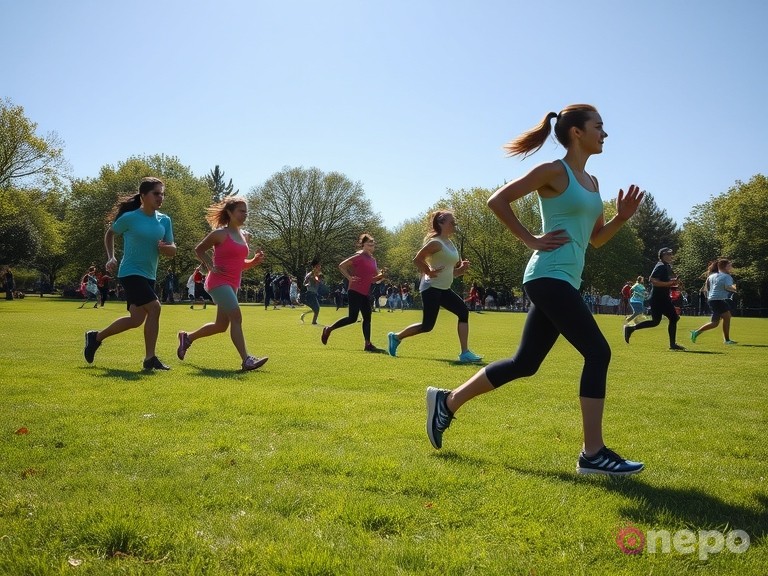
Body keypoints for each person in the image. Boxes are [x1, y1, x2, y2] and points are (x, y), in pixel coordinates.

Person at [426, 105, 645, 476]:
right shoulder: (553, 172)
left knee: (525, 364)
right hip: (548, 275)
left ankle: (447, 402)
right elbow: (498, 200)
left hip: (565, 279)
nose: (605, 134)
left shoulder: (592, 183)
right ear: (576, 132)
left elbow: (595, 240)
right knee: (598, 352)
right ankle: (593, 454)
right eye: (599, 126)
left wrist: (622, 218)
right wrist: (531, 238)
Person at [83, 177, 176, 370]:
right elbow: (110, 233)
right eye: (156, 193)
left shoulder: (164, 220)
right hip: (130, 272)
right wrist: (111, 257)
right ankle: (150, 359)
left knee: (136, 320)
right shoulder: (130, 218)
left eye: (162, 193)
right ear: (143, 196)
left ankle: (95, 337)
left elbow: (172, 249)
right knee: (156, 308)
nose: (161, 197)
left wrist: (166, 248)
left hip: (150, 274)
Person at [177, 197, 268, 371]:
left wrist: (254, 261)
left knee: (221, 326)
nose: (244, 215)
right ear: (229, 213)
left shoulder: (244, 236)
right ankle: (246, 360)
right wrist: (210, 266)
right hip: (218, 282)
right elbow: (199, 250)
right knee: (236, 316)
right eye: (241, 211)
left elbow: (240, 264)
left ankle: (187, 338)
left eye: (246, 211)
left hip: (233, 284)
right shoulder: (219, 234)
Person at [387, 210, 483, 363]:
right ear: (441, 223)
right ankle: (396, 337)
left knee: (463, 312)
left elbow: (450, 273)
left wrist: (460, 270)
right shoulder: (435, 243)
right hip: (431, 288)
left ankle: (465, 353)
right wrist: (427, 270)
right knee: (427, 326)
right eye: (452, 222)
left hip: (444, 288)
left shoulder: (450, 243)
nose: (454, 225)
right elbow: (417, 259)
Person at [321, 233, 387, 352]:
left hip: (365, 292)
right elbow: (342, 266)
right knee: (352, 318)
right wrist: (350, 278)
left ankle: (367, 344)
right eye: (369, 244)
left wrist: (381, 276)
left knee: (367, 317)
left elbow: (372, 279)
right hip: (355, 290)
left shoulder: (373, 260)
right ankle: (329, 329)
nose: (371, 246)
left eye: (373, 244)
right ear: (363, 245)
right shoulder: (359, 256)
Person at [623, 248, 685, 350]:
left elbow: (664, 281)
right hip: (659, 299)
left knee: (656, 321)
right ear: (662, 255)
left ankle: (630, 328)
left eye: (671, 253)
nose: (670, 255)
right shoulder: (660, 266)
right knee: (673, 318)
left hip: (661, 298)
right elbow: (653, 280)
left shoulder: (666, 266)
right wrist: (670, 283)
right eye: (668, 254)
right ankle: (672, 345)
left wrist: (674, 282)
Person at [690, 259, 738, 345]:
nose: (731, 267)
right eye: (730, 265)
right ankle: (727, 340)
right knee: (726, 317)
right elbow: (728, 287)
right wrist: (735, 288)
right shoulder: (727, 277)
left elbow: (705, 289)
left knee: (715, 323)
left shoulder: (711, 276)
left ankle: (696, 333)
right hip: (718, 300)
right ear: (725, 266)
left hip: (712, 300)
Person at [300, 259, 322, 325]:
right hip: (310, 293)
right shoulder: (311, 274)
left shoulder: (318, 274)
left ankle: (304, 315)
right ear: (315, 266)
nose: (320, 267)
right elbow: (305, 282)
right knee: (317, 308)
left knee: (316, 309)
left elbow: (316, 280)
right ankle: (313, 322)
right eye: (319, 265)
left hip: (313, 293)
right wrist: (307, 284)